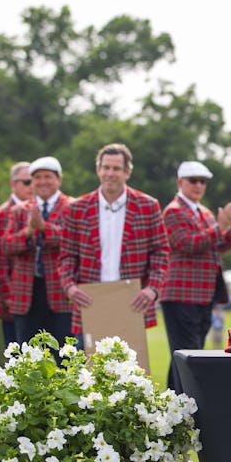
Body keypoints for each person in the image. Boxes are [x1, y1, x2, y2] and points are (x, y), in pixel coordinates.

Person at [160, 160, 231, 392]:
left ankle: (175, 401)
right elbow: (186, 244)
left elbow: (214, 245)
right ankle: (181, 402)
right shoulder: (173, 211)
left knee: (190, 351)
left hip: (203, 293)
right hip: (181, 293)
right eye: (193, 181)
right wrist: (219, 227)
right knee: (186, 351)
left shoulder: (203, 212)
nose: (198, 185)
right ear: (180, 182)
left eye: (202, 181)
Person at [59, 143, 169, 340]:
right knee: (87, 368)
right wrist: (70, 287)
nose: (110, 173)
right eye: (106, 167)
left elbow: (160, 252)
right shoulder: (77, 207)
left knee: (131, 369)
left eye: (116, 168)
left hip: (131, 300)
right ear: (98, 170)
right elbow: (67, 254)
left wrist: (152, 288)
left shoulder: (147, 206)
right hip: (90, 300)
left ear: (127, 172)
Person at [2, 157, 74, 345]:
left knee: (63, 353)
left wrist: (44, 228)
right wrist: (28, 231)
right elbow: (6, 245)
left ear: (58, 179)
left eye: (47, 177)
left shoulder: (72, 207)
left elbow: (73, 240)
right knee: (28, 356)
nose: (42, 182)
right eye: (37, 178)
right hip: (27, 293)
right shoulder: (19, 211)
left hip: (60, 292)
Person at [0, 161, 32, 345]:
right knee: (17, 356)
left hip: (37, 296)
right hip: (13, 299)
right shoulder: (2, 214)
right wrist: (10, 298)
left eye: (35, 180)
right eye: (27, 182)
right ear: (13, 184)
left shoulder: (39, 208)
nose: (33, 186)